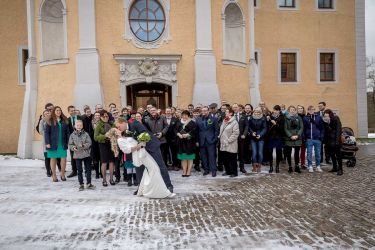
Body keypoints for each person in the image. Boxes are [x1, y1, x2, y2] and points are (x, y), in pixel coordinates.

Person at [115, 117, 174, 194]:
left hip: (152, 147)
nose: (118, 128)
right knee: (139, 168)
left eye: (119, 126)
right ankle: (141, 188)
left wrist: (140, 144)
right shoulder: (126, 131)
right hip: (142, 150)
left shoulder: (135, 124)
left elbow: (144, 133)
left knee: (160, 165)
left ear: (123, 122)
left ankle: (169, 186)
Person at [45, 106, 70, 182]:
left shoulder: (64, 120)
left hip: (62, 143)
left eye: (59, 110)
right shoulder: (50, 120)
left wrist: (68, 141)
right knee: (53, 159)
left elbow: (67, 132)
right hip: (53, 143)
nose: (58, 111)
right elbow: (47, 133)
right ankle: (54, 175)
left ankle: (62, 174)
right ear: (54, 112)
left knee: (63, 159)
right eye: (57, 110)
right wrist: (47, 142)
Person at [68, 120, 95, 191]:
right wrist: (73, 147)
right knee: (79, 170)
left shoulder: (86, 134)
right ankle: (81, 184)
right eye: (77, 125)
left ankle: (89, 183)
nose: (79, 127)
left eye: (80, 125)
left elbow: (89, 142)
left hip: (86, 154)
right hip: (77, 155)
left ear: (82, 126)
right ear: (75, 126)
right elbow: (70, 144)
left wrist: (84, 145)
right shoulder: (72, 135)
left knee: (88, 169)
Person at [195, 107, 219, 177]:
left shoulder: (214, 119)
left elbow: (216, 130)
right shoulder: (198, 119)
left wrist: (214, 139)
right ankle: (206, 169)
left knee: (212, 156)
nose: (204, 112)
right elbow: (197, 131)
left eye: (205, 110)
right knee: (203, 156)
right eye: (202, 111)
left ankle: (213, 170)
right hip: (201, 140)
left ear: (208, 111)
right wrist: (197, 140)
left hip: (210, 140)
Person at [94, 110, 116, 186]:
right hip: (103, 145)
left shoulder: (111, 123)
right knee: (104, 162)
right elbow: (95, 137)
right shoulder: (98, 125)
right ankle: (104, 180)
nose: (106, 117)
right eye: (104, 116)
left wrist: (113, 135)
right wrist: (105, 136)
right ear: (101, 117)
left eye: (107, 116)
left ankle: (111, 179)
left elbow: (115, 132)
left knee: (111, 162)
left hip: (111, 144)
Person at [219, 108, 240, 177]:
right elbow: (222, 130)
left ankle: (234, 172)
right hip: (223, 143)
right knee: (225, 159)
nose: (225, 113)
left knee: (232, 159)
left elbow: (236, 133)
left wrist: (228, 141)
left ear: (231, 113)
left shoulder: (234, 122)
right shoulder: (224, 120)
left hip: (230, 143)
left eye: (227, 112)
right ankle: (228, 171)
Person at [303, 106, 325, 173]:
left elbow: (322, 128)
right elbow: (303, 128)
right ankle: (310, 166)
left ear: (314, 110)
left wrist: (321, 136)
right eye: (310, 109)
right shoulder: (305, 118)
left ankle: (318, 166)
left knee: (318, 154)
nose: (311, 111)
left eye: (313, 109)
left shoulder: (318, 117)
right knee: (309, 153)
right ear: (308, 110)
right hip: (309, 139)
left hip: (317, 139)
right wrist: (304, 137)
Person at [176, 110, 197, 177]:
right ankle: (184, 171)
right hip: (181, 142)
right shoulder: (179, 122)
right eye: (183, 115)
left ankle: (188, 171)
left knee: (189, 157)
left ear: (188, 115)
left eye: (186, 115)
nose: (184, 116)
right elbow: (175, 129)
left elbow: (195, 131)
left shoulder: (192, 122)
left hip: (189, 142)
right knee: (183, 157)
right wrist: (178, 134)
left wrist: (188, 134)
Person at [323, 109, 343, 175]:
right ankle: (335, 167)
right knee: (332, 155)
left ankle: (340, 169)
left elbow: (338, 130)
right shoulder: (325, 121)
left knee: (338, 155)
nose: (326, 117)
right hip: (329, 141)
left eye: (327, 116)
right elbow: (326, 131)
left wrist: (337, 141)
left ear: (330, 115)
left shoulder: (336, 119)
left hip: (335, 140)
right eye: (325, 116)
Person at [284, 106, 304, 173]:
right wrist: (290, 136)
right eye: (290, 109)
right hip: (289, 138)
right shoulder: (286, 118)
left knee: (297, 153)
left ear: (295, 110)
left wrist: (297, 135)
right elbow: (285, 128)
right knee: (288, 153)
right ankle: (290, 166)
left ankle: (297, 166)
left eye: (293, 109)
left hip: (297, 137)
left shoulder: (299, 117)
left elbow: (301, 127)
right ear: (288, 110)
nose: (292, 111)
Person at [248, 107, 267, 173]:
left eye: (258, 112)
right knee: (254, 153)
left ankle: (259, 166)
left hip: (260, 138)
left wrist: (260, 135)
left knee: (260, 153)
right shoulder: (251, 118)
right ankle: (254, 166)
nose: (257, 113)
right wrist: (252, 132)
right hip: (253, 137)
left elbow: (265, 128)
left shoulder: (263, 118)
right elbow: (249, 127)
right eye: (255, 111)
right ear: (254, 112)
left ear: (260, 112)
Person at [266, 105, 284, 173]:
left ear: (279, 110)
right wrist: (267, 120)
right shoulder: (270, 116)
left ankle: (277, 166)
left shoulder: (282, 117)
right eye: (274, 110)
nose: (275, 111)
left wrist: (275, 124)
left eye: (277, 110)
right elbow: (267, 126)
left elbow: (282, 128)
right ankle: (271, 166)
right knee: (270, 152)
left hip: (278, 137)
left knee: (278, 152)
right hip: (271, 136)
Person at [233, 103, 248, 174]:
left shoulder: (243, 116)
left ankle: (242, 167)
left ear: (238, 108)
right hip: (232, 138)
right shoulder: (229, 116)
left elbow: (246, 126)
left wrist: (244, 134)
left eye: (236, 107)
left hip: (241, 138)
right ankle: (234, 167)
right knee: (233, 153)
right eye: (233, 107)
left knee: (242, 153)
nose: (235, 108)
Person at [67, 105, 81, 178]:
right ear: (69, 112)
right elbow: (67, 131)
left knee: (81, 155)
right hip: (72, 141)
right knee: (73, 157)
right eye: (71, 111)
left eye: (74, 110)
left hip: (81, 140)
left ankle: (80, 170)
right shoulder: (67, 119)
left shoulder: (80, 118)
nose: (73, 112)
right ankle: (74, 171)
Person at [297, 105, 307, 169]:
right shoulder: (295, 117)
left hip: (304, 136)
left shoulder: (305, 117)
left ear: (303, 109)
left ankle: (302, 163)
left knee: (303, 150)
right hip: (297, 136)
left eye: (301, 108)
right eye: (299, 108)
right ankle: (297, 163)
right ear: (297, 110)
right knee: (297, 150)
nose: (300, 109)